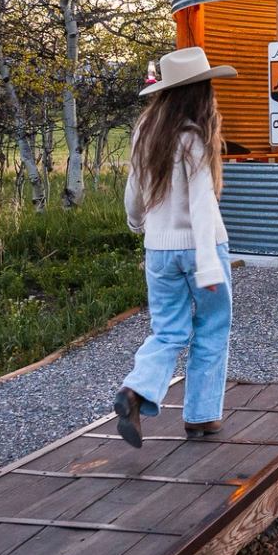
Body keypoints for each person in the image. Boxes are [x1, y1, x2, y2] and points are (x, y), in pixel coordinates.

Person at [112, 47, 236, 448]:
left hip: (159, 250)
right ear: (200, 91)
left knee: (167, 331)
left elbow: (134, 191)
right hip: (202, 248)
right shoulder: (193, 138)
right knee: (212, 328)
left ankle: (135, 391)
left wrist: (137, 225)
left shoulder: (145, 134)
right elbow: (202, 203)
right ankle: (201, 416)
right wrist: (209, 267)